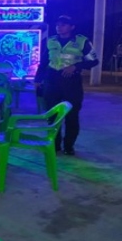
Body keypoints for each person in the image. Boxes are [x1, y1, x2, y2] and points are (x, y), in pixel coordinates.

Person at [34, 15, 99, 155]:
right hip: (52, 80)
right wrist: (38, 79)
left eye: (63, 25)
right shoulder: (51, 40)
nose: (59, 27)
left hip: (71, 82)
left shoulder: (82, 41)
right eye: (58, 25)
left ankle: (69, 146)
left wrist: (75, 67)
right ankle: (55, 145)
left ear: (72, 27)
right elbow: (44, 61)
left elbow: (94, 61)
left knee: (72, 116)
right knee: (52, 115)